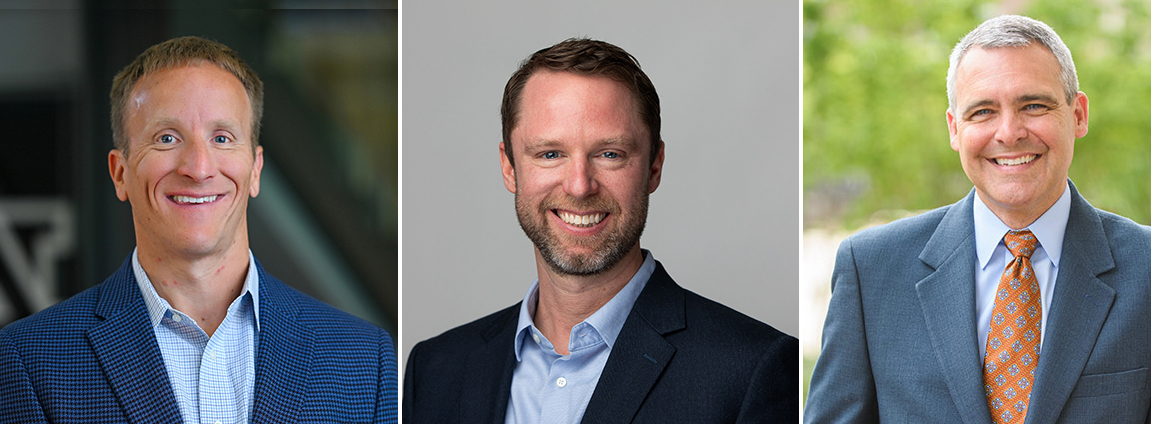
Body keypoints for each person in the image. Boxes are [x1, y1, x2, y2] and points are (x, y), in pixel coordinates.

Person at [805, 15, 1151, 423]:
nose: (1009, 133)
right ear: (955, 129)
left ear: (1078, 114)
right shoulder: (871, 271)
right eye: (983, 112)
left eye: (1033, 105)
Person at [0, 36, 397, 423]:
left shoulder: (366, 359)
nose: (199, 167)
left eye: (222, 137)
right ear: (120, 174)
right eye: (167, 138)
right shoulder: (29, 361)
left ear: (255, 170)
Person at [402, 38, 798, 423]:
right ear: (509, 167)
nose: (579, 185)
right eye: (550, 154)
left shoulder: (752, 371)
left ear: (654, 167)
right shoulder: (435, 370)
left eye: (610, 154)